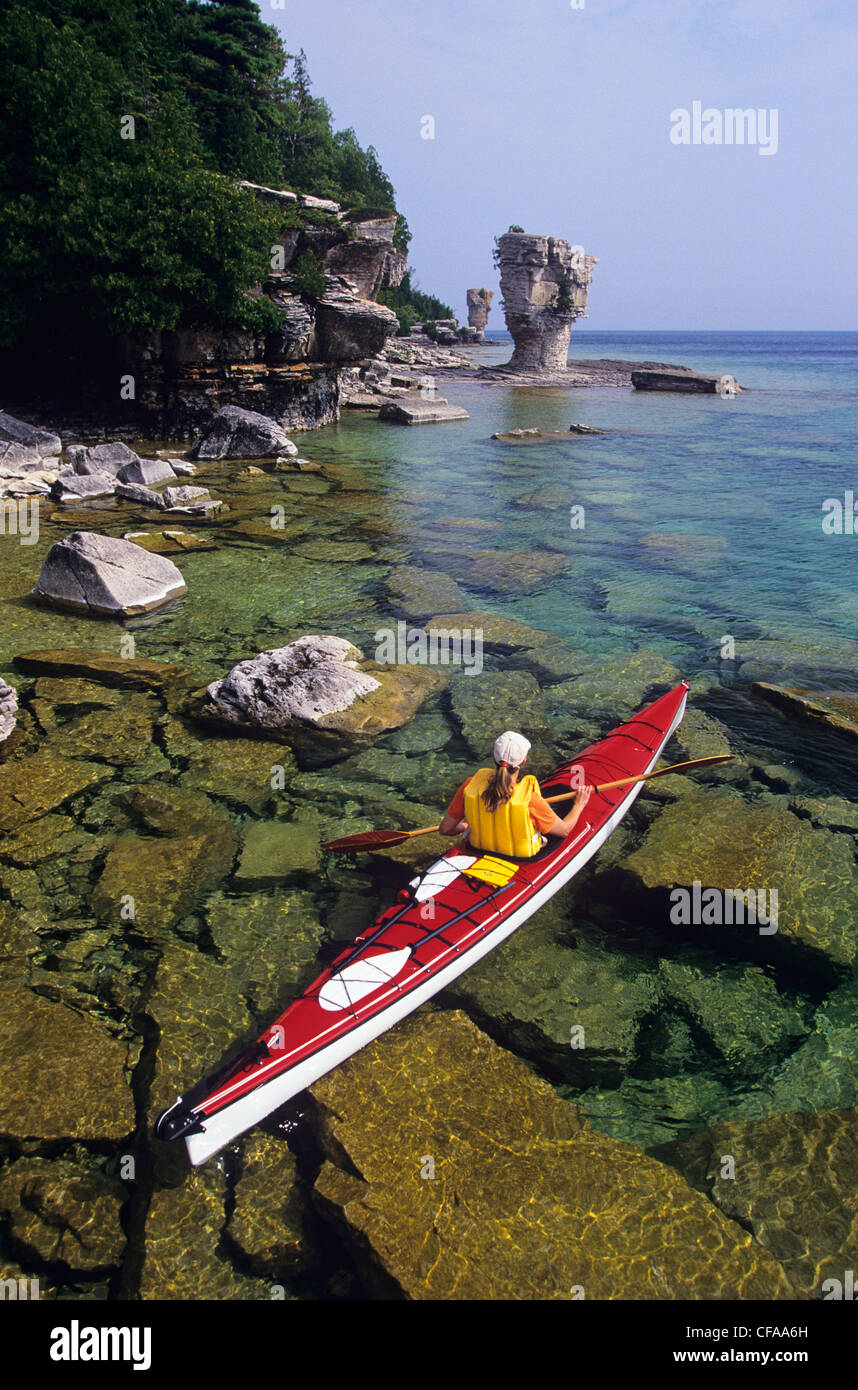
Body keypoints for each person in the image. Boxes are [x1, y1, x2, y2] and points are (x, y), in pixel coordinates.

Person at [438, 730, 593, 859]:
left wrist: (467, 824)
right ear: (523, 761)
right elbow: (564, 830)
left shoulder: (470, 785)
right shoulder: (529, 799)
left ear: (493, 755)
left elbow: (446, 829)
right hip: (521, 859)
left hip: (479, 851)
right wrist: (579, 804)